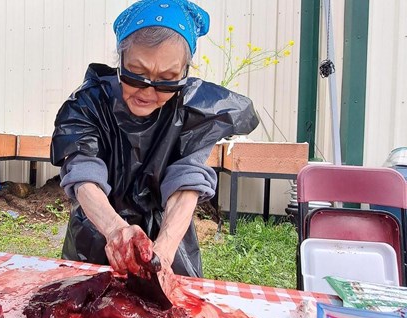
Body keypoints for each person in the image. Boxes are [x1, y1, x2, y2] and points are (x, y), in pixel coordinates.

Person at [50, 0, 258, 291]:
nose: (149, 91)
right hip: (97, 231)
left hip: (167, 231)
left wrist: (164, 251)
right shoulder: (89, 104)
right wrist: (115, 230)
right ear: (120, 60)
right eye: (136, 73)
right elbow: (82, 170)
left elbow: (187, 180)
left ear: (185, 71)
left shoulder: (192, 109)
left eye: (168, 80)